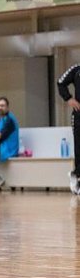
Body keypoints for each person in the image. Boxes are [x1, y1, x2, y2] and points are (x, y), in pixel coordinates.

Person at [57, 65, 80, 194]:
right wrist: (68, 98)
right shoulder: (76, 69)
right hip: (79, 117)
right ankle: (77, 176)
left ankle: (75, 173)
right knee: (79, 148)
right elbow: (60, 82)